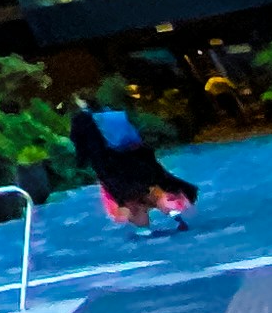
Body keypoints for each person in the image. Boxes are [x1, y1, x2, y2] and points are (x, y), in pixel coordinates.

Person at [70, 94, 198, 234]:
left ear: (80, 102)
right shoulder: (112, 114)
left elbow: (81, 147)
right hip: (137, 162)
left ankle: (145, 233)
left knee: (131, 201)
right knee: (152, 192)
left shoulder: (81, 120)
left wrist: (81, 164)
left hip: (110, 167)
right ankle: (176, 216)